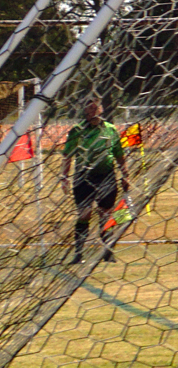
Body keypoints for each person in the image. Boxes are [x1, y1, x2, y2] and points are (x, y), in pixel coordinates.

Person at [61, 99, 128, 264]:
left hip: (106, 175)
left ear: (101, 109)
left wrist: (125, 174)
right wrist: (64, 177)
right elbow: (68, 155)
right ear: (85, 111)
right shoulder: (77, 131)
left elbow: (119, 154)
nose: (92, 111)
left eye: (95, 107)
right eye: (89, 108)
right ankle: (78, 253)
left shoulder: (111, 130)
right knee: (85, 213)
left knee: (106, 213)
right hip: (83, 177)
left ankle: (108, 252)